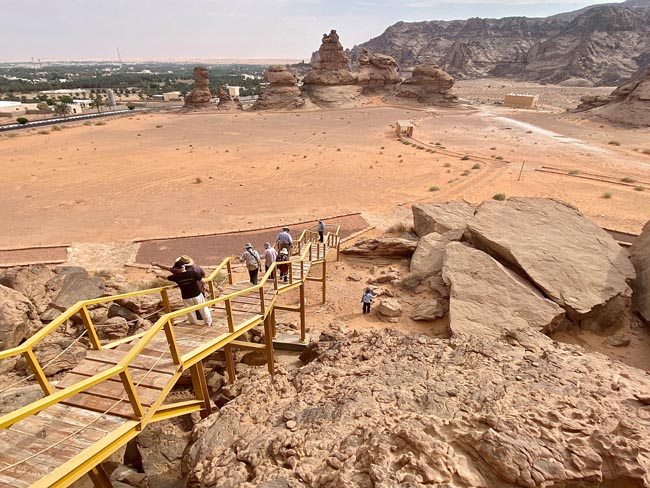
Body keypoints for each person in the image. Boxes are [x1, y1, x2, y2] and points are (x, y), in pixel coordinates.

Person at [152, 255, 206, 320]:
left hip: (187, 294)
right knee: (202, 308)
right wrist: (203, 286)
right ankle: (207, 321)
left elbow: (167, 269)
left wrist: (157, 265)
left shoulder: (177, 273)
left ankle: (196, 321)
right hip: (199, 291)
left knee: (192, 310)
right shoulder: (197, 268)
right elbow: (203, 276)